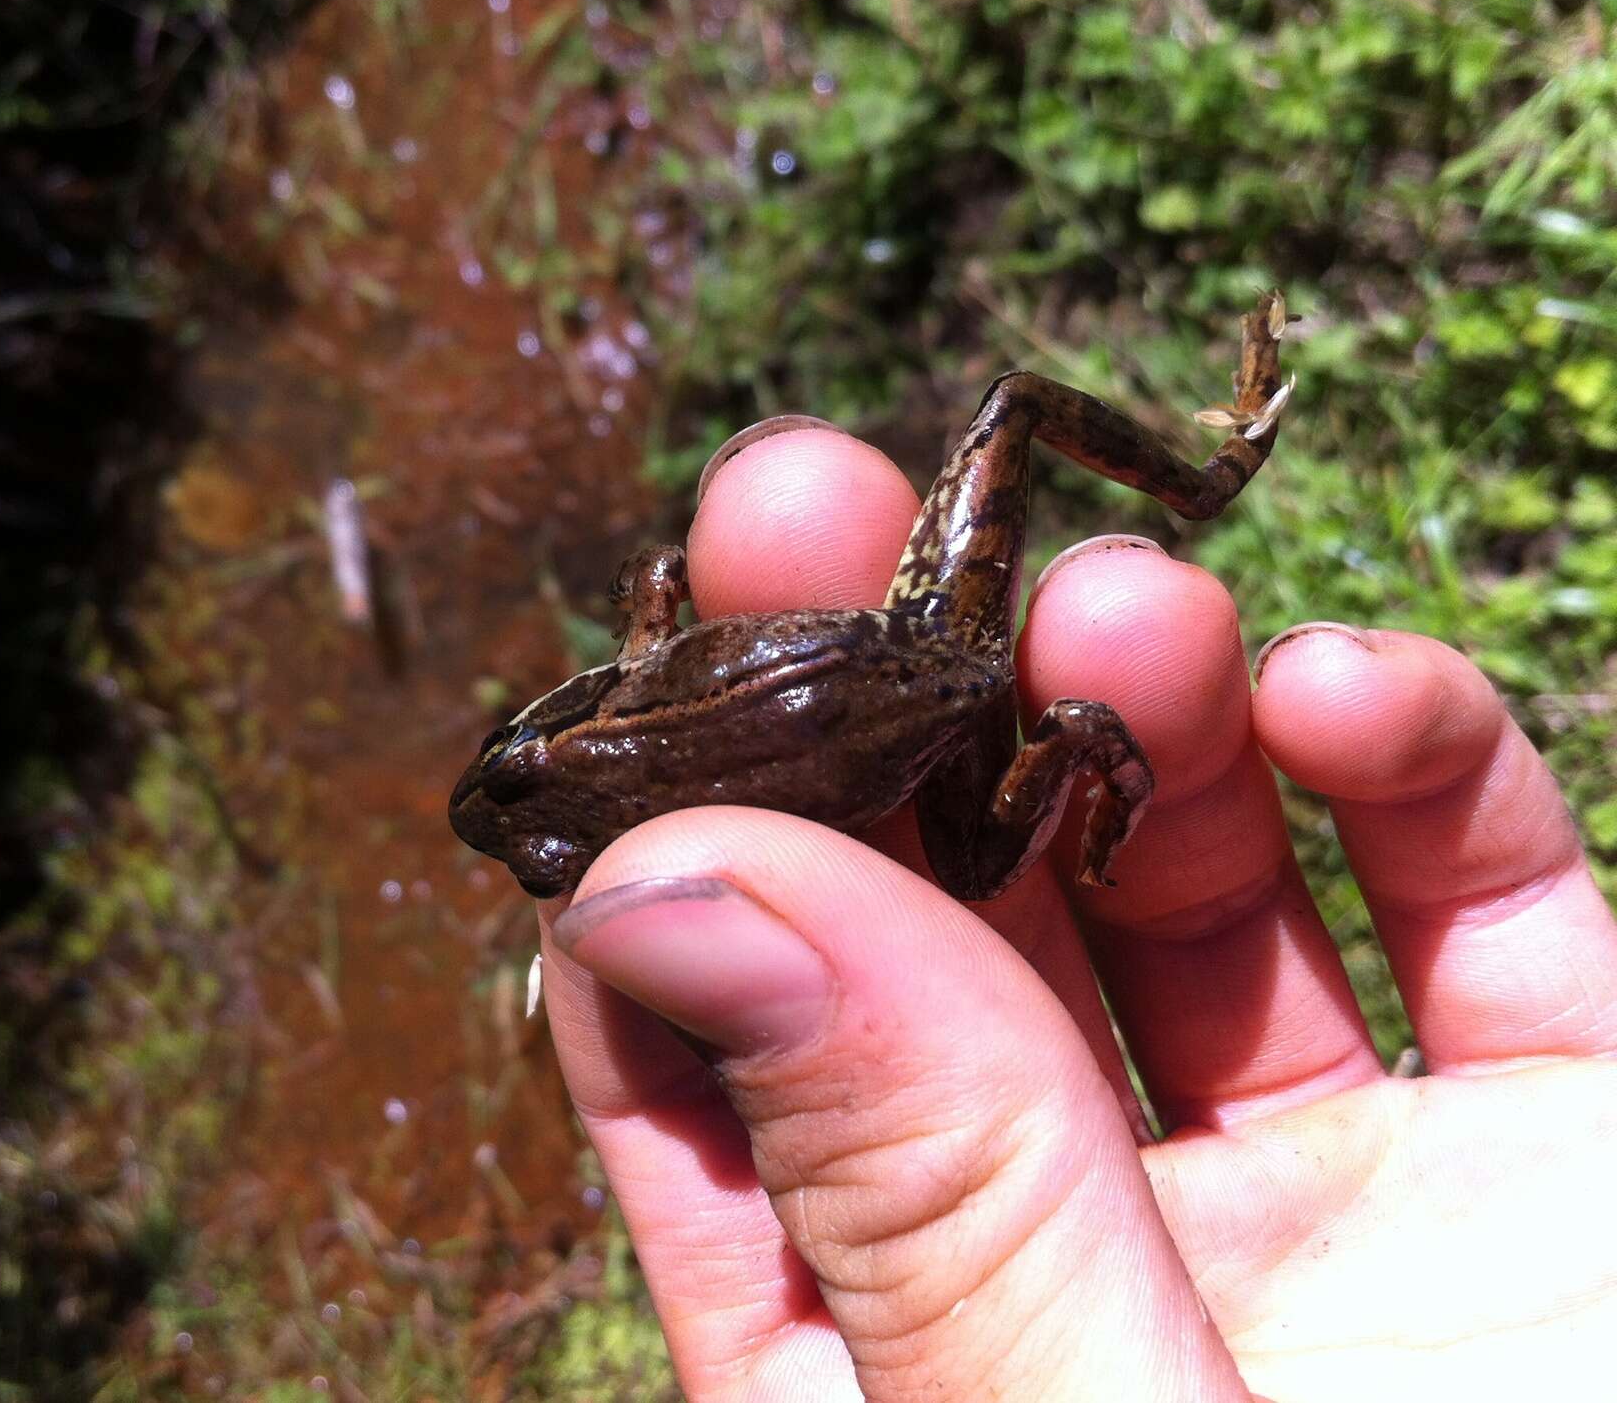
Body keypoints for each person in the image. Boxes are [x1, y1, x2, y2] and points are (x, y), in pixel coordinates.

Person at [535, 418, 1617, 1401]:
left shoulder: (670, 840)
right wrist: (643, 633)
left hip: (932, 712)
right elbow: (661, 569)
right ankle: (1182, 528)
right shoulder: (636, 665)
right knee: (1011, 407)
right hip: (925, 627)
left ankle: (1072, 738)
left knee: (957, 877)